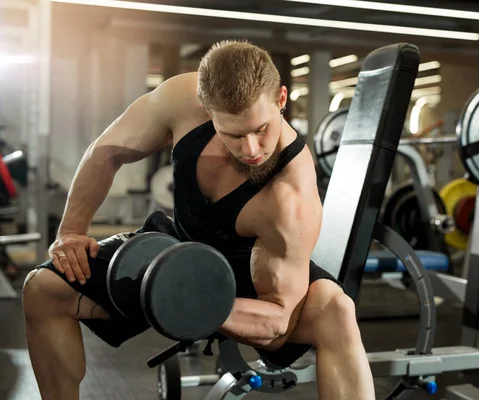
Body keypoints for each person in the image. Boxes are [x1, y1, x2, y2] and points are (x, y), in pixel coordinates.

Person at [22, 40, 375, 400]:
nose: (251, 149)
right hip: (177, 247)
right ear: (207, 108)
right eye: (234, 134)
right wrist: (70, 231)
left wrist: (186, 298)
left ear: (281, 99)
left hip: (250, 279)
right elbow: (106, 152)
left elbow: (278, 322)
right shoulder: (181, 100)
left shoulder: (289, 196)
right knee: (42, 289)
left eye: (261, 129)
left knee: (336, 311)